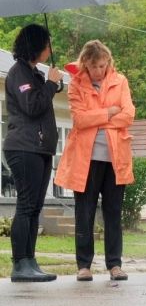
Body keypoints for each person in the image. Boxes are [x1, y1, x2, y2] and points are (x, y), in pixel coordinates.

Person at [54, 40, 135, 281]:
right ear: (85, 65)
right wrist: (109, 112)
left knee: (113, 212)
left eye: (102, 65)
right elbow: (79, 120)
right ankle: (84, 265)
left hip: (115, 158)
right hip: (86, 159)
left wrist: (99, 118)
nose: (98, 70)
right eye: (93, 66)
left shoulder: (120, 81)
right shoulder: (76, 85)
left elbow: (128, 114)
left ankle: (114, 265)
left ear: (108, 62)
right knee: (84, 213)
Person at [4, 24, 62, 282]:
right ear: (36, 45)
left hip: (39, 148)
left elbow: (42, 96)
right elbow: (32, 106)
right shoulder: (18, 73)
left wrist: (52, 83)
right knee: (26, 205)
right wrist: (50, 84)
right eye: (48, 44)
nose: (50, 49)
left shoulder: (32, 72)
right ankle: (20, 264)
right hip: (24, 147)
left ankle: (30, 260)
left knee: (35, 206)